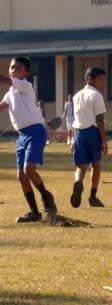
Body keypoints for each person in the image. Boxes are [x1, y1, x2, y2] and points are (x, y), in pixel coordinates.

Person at [0, 52, 57, 223]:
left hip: (36, 131)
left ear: (25, 73)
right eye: (11, 67)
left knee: (29, 170)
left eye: (17, 67)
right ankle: (34, 213)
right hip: (22, 134)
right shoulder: (10, 93)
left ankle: (47, 197)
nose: (12, 70)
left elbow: (0, 77)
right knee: (21, 176)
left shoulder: (25, 85)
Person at [69, 67, 108, 208]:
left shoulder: (77, 96)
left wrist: (73, 139)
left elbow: (76, 118)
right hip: (93, 133)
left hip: (79, 133)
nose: (102, 84)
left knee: (80, 166)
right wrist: (104, 140)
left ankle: (78, 182)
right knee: (96, 165)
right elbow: (99, 120)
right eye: (101, 81)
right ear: (90, 79)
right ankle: (92, 197)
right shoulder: (97, 95)